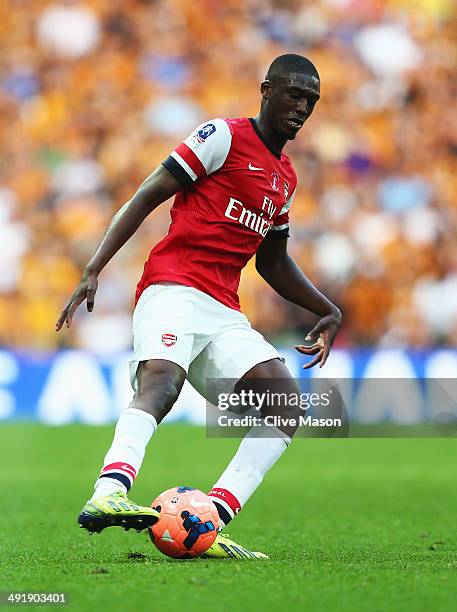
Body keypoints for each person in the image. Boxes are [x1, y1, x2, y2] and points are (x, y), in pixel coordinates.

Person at [56, 53, 342, 559]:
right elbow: (149, 194)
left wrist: (327, 308)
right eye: (294, 94)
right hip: (172, 288)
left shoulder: (285, 178)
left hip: (223, 309)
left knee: (286, 406)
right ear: (267, 89)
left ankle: (207, 522)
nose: (302, 106)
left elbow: (272, 262)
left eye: (311, 100)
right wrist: (94, 266)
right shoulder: (223, 137)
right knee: (161, 384)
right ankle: (108, 492)